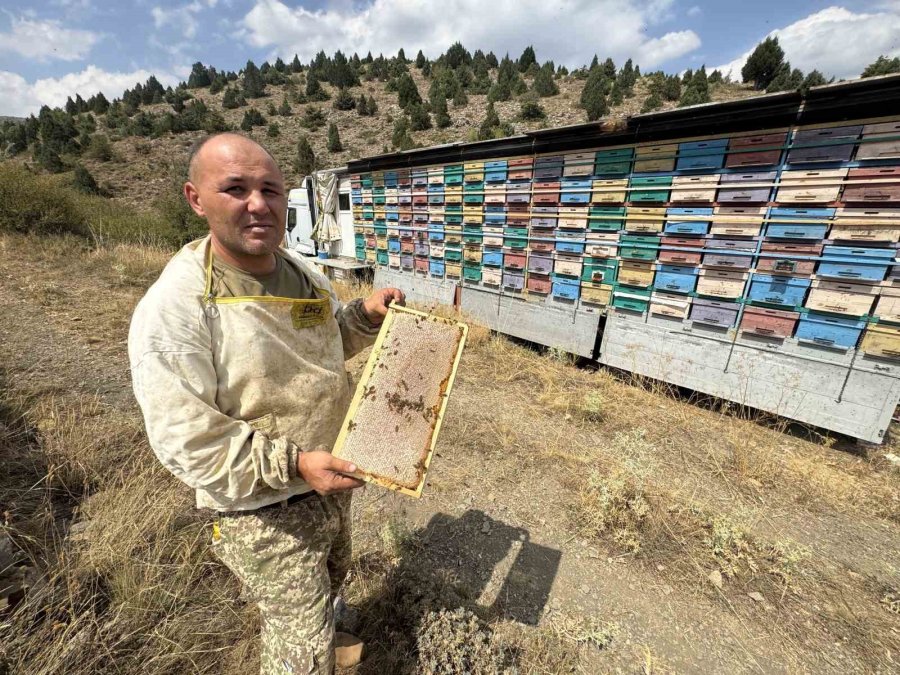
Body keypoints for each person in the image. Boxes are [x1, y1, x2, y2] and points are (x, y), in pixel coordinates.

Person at [127, 132, 404, 674]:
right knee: (297, 634)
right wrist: (295, 464)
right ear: (196, 198)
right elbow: (188, 440)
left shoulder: (302, 271)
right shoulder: (174, 308)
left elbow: (322, 344)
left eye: (270, 190)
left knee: (331, 578)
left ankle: (330, 630)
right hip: (258, 507)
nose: (258, 205)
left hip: (329, 476)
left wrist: (362, 318)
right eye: (235, 188)